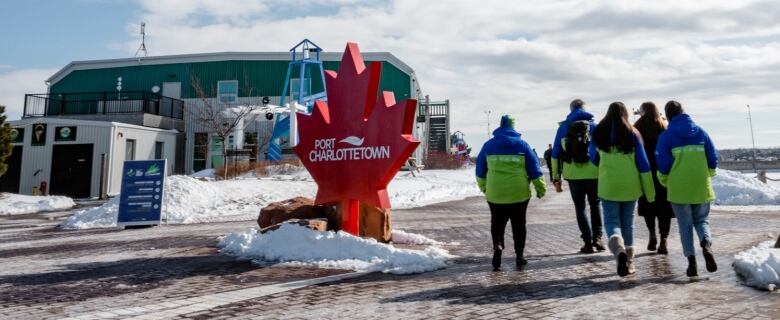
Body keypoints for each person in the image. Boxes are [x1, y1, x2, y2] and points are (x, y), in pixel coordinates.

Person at [590, 101, 655, 277]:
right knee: (628, 223)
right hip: (630, 186)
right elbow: (643, 164)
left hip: (608, 186)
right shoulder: (633, 134)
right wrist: (650, 193)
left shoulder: (599, 133)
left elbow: (593, 159)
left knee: (612, 222)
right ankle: (630, 261)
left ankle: (618, 249)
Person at [656, 101, 718, 277]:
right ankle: (706, 245)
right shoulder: (701, 132)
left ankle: (691, 262)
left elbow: (663, 164)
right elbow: (712, 157)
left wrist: (665, 180)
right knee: (702, 221)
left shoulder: (666, 137)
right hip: (701, 187)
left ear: (667, 116)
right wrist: (709, 174)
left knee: (685, 225)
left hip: (679, 189)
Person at [476, 115, 546, 271]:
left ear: (500, 126)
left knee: (497, 222)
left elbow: (480, 170)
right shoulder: (523, 145)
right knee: (519, 224)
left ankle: (498, 246)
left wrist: (484, 187)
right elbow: (535, 169)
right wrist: (541, 189)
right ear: (513, 127)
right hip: (519, 193)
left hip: (496, 193)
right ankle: (519, 255)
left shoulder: (488, 146)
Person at [551, 99, 604, 254]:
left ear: (571, 109)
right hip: (594, 173)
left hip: (573, 175)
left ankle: (587, 243)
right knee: (595, 205)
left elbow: (555, 155)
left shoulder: (563, 128)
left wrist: (556, 177)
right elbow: (604, 151)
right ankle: (598, 239)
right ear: (584, 108)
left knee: (580, 208)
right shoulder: (594, 126)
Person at [633, 102, 674, 254]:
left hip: (645, 172)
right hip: (663, 172)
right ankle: (664, 240)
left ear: (642, 111)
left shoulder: (637, 127)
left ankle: (652, 234)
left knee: (648, 204)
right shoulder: (663, 127)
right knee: (664, 207)